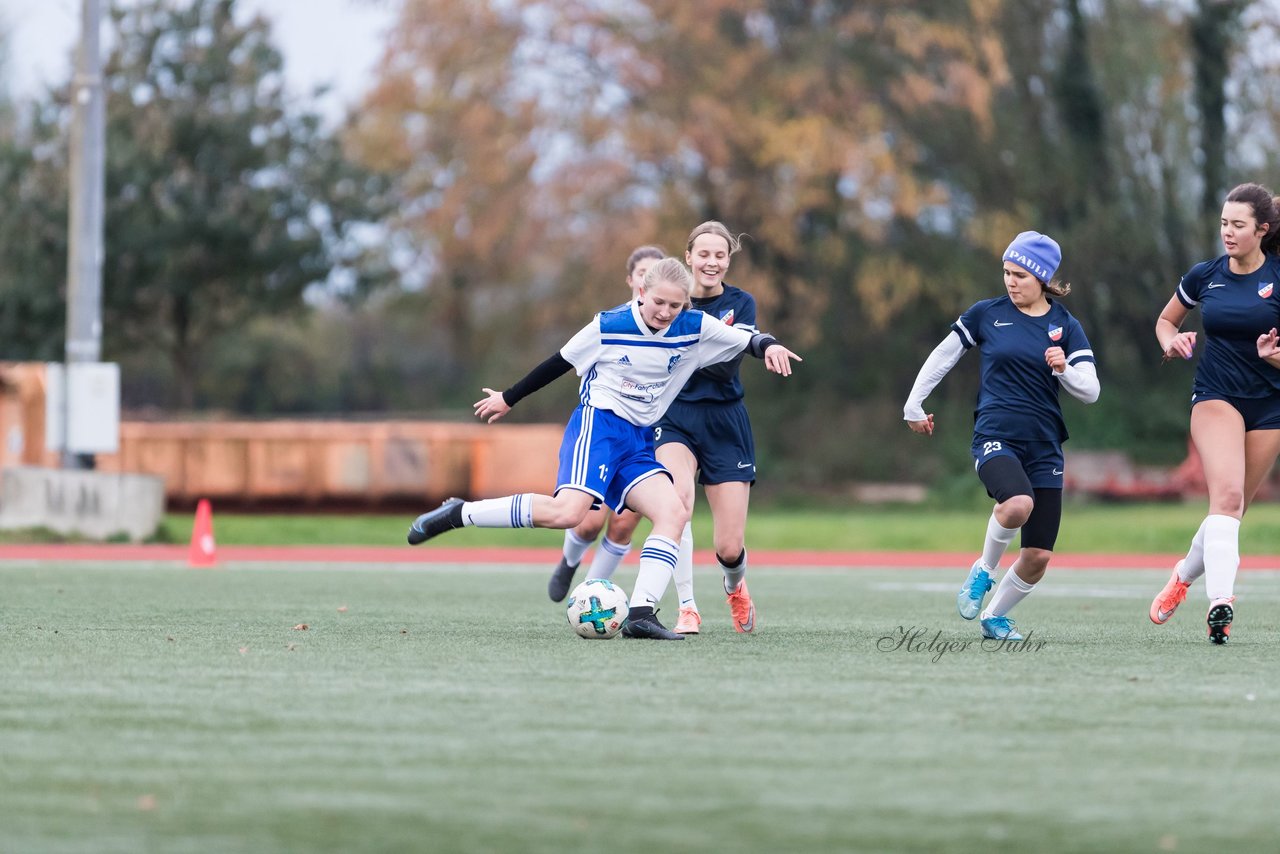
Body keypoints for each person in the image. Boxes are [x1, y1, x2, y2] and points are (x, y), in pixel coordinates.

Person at [406, 258, 801, 641]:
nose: (665, 312)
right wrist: (509, 398)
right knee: (568, 513)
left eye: (675, 305)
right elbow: (557, 362)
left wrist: (769, 346)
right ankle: (461, 512)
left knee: (673, 512)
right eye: (658, 302)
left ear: (686, 303)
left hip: (639, 438)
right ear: (641, 291)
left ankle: (643, 613)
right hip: (599, 427)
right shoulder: (609, 325)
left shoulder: (695, 326)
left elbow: (747, 338)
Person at [903, 231, 1099, 641]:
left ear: (1042, 279)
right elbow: (944, 355)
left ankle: (994, 617)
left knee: (1038, 556)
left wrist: (1065, 370)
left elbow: (1091, 391)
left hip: (1045, 443)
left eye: (1020, 275)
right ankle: (983, 571)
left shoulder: (1065, 326)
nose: (1010, 282)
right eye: (1006, 273)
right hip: (995, 435)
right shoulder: (986, 314)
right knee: (1017, 504)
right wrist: (913, 405)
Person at [1148, 182, 1280, 644]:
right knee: (1225, 500)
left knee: (1231, 511)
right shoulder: (1205, 275)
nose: (1227, 232)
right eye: (1224, 223)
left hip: (1270, 407)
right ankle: (1221, 603)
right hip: (1215, 396)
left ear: (1261, 230)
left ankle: (1182, 576)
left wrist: (1272, 357)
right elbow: (1166, 321)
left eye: (1238, 225)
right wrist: (1174, 342)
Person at [644, 221, 769, 635]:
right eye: (704, 254)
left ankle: (735, 587)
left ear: (728, 260)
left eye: (720, 255)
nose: (711, 262)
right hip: (674, 416)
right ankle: (687, 607)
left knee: (729, 547)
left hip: (724, 421)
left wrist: (685, 353)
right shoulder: (672, 301)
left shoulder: (742, 303)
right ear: (689, 257)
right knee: (677, 505)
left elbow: (727, 364)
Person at [547, 245, 665, 603]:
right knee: (586, 521)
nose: (650, 279)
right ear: (631, 280)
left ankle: (588, 599)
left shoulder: (675, 327)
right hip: (607, 431)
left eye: (657, 273)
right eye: (644, 273)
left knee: (626, 522)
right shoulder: (613, 324)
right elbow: (571, 364)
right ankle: (569, 561)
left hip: (646, 435)